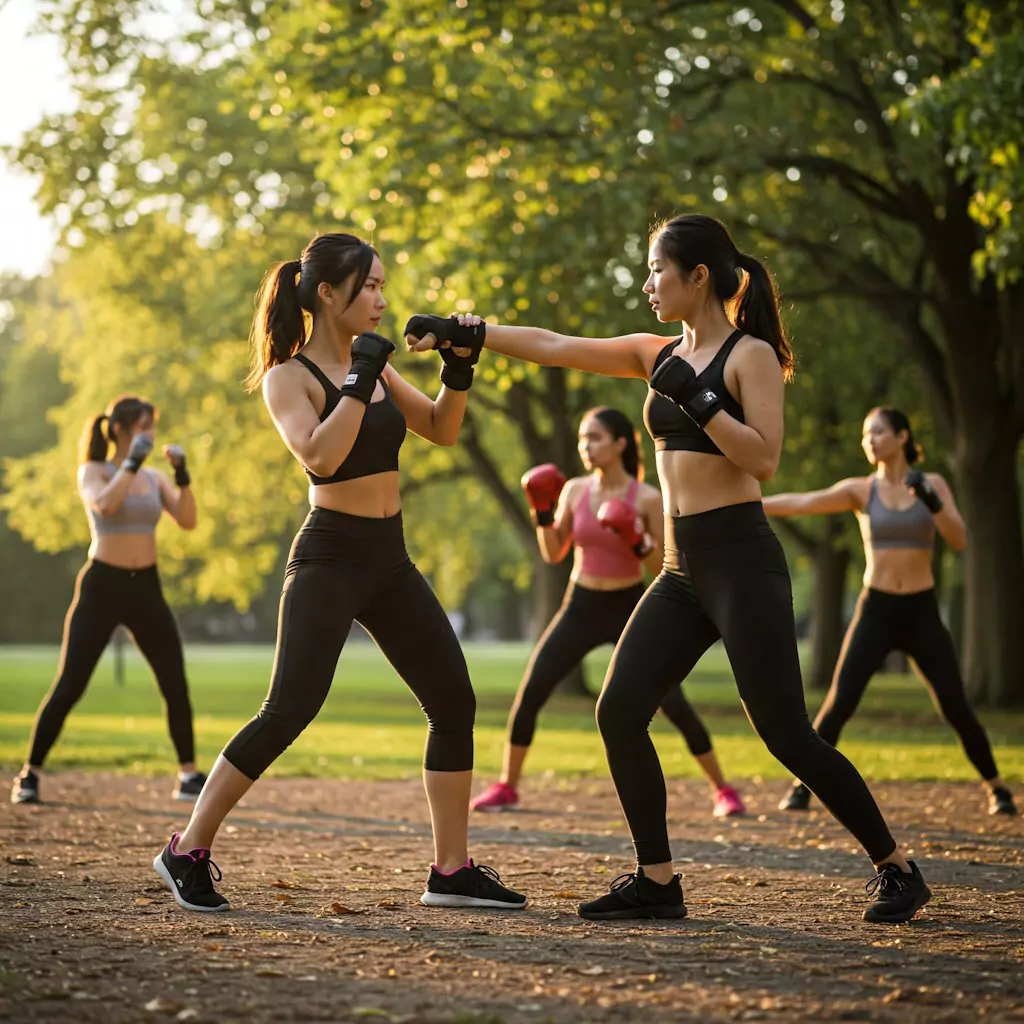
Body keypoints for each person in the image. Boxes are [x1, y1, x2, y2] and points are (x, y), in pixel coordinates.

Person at [406, 213, 931, 925]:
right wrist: (468, 333)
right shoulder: (656, 354)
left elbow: (764, 458)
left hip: (742, 564)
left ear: (699, 276)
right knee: (619, 710)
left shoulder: (749, 356)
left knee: (786, 734)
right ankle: (657, 880)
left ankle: (897, 868)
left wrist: (701, 399)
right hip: (681, 573)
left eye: (657, 270)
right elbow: (556, 346)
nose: (648, 284)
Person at [152, 232, 525, 914]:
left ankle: (451, 871)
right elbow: (321, 456)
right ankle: (186, 849)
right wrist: (358, 377)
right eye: (369, 286)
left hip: (390, 558)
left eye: (383, 286)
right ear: (328, 293)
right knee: (288, 710)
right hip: (329, 556)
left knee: (454, 703)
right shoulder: (288, 377)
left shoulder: (375, 366)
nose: (381, 299)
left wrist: (459, 370)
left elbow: (441, 428)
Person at [471, 406, 745, 818]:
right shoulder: (574, 491)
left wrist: (637, 539)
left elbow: (665, 565)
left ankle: (723, 789)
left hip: (628, 606)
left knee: (672, 701)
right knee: (532, 691)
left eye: (595, 438)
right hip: (580, 605)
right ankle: (507, 786)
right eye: (583, 439)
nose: (586, 447)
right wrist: (541, 511)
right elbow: (553, 553)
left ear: (620, 444)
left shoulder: (647, 498)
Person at [765, 407, 1017, 817]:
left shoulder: (932, 484)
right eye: (866, 434)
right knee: (841, 701)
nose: (870, 440)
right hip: (876, 610)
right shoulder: (861, 490)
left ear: (902, 437)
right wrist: (752, 503)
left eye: (879, 432)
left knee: (955, 705)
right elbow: (805, 501)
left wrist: (932, 502)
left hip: (921, 611)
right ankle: (802, 787)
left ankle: (997, 788)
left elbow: (958, 539)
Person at [10, 396, 205, 805]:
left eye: (152, 427)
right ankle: (30, 774)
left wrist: (182, 475)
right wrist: (130, 463)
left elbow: (187, 521)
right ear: (119, 429)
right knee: (71, 683)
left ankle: (188, 775)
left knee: (174, 680)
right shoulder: (95, 471)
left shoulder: (154, 478)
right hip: (102, 585)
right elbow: (106, 505)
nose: (150, 434)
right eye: (143, 427)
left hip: (145, 587)